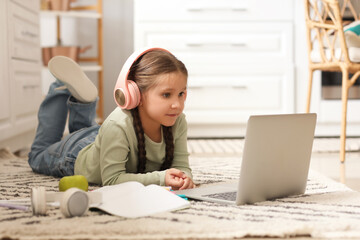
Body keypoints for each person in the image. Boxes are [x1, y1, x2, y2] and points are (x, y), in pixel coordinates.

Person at [28, 47, 195, 190]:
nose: (177, 104)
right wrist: (160, 178)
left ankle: (83, 102)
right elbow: (112, 180)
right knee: (37, 155)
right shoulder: (117, 126)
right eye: (166, 95)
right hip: (74, 155)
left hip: (104, 140)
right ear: (136, 94)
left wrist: (184, 177)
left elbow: (181, 165)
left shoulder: (178, 121)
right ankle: (60, 89)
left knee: (89, 132)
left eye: (181, 94)